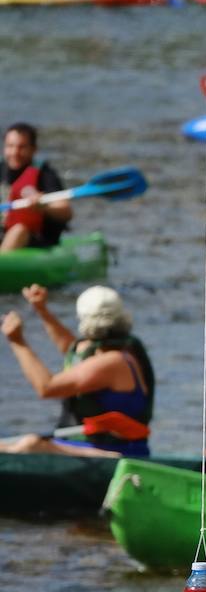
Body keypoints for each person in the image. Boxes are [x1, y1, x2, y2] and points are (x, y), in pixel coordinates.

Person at [1, 285, 154, 457]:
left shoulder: (114, 362)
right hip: (80, 447)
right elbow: (73, 352)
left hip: (116, 453)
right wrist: (43, 311)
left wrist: (17, 342)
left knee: (31, 444)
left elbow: (47, 387)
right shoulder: (109, 350)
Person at [2, 124, 72, 252]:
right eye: (10, 146)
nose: (15, 152)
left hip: (36, 239)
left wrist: (43, 206)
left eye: (21, 147)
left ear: (33, 149)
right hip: (3, 234)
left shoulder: (45, 174)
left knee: (19, 230)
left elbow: (65, 211)